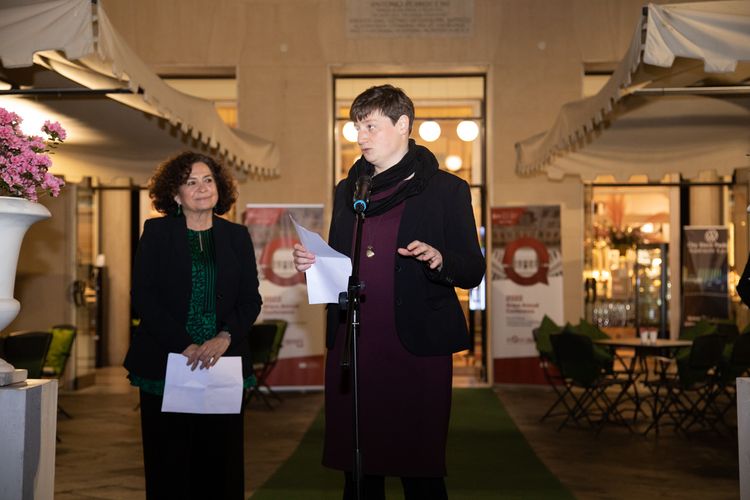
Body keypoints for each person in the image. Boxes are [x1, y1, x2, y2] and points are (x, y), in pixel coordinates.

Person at [293, 85, 485, 499]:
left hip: (415, 349)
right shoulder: (349, 191)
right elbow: (342, 264)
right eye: (356, 127)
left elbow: (473, 269)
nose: (360, 136)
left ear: (402, 125)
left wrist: (439, 259)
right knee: (359, 474)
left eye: (370, 126)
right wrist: (316, 265)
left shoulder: (446, 190)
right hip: (354, 349)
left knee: (420, 471)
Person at [124, 151, 262, 500]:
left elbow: (250, 299)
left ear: (219, 188)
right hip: (167, 364)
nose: (201, 188)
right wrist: (184, 343)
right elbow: (143, 296)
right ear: (175, 194)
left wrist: (224, 337)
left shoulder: (237, 235)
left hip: (224, 363)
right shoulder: (156, 233)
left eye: (208, 180)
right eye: (190, 182)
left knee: (222, 462)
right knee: (168, 462)